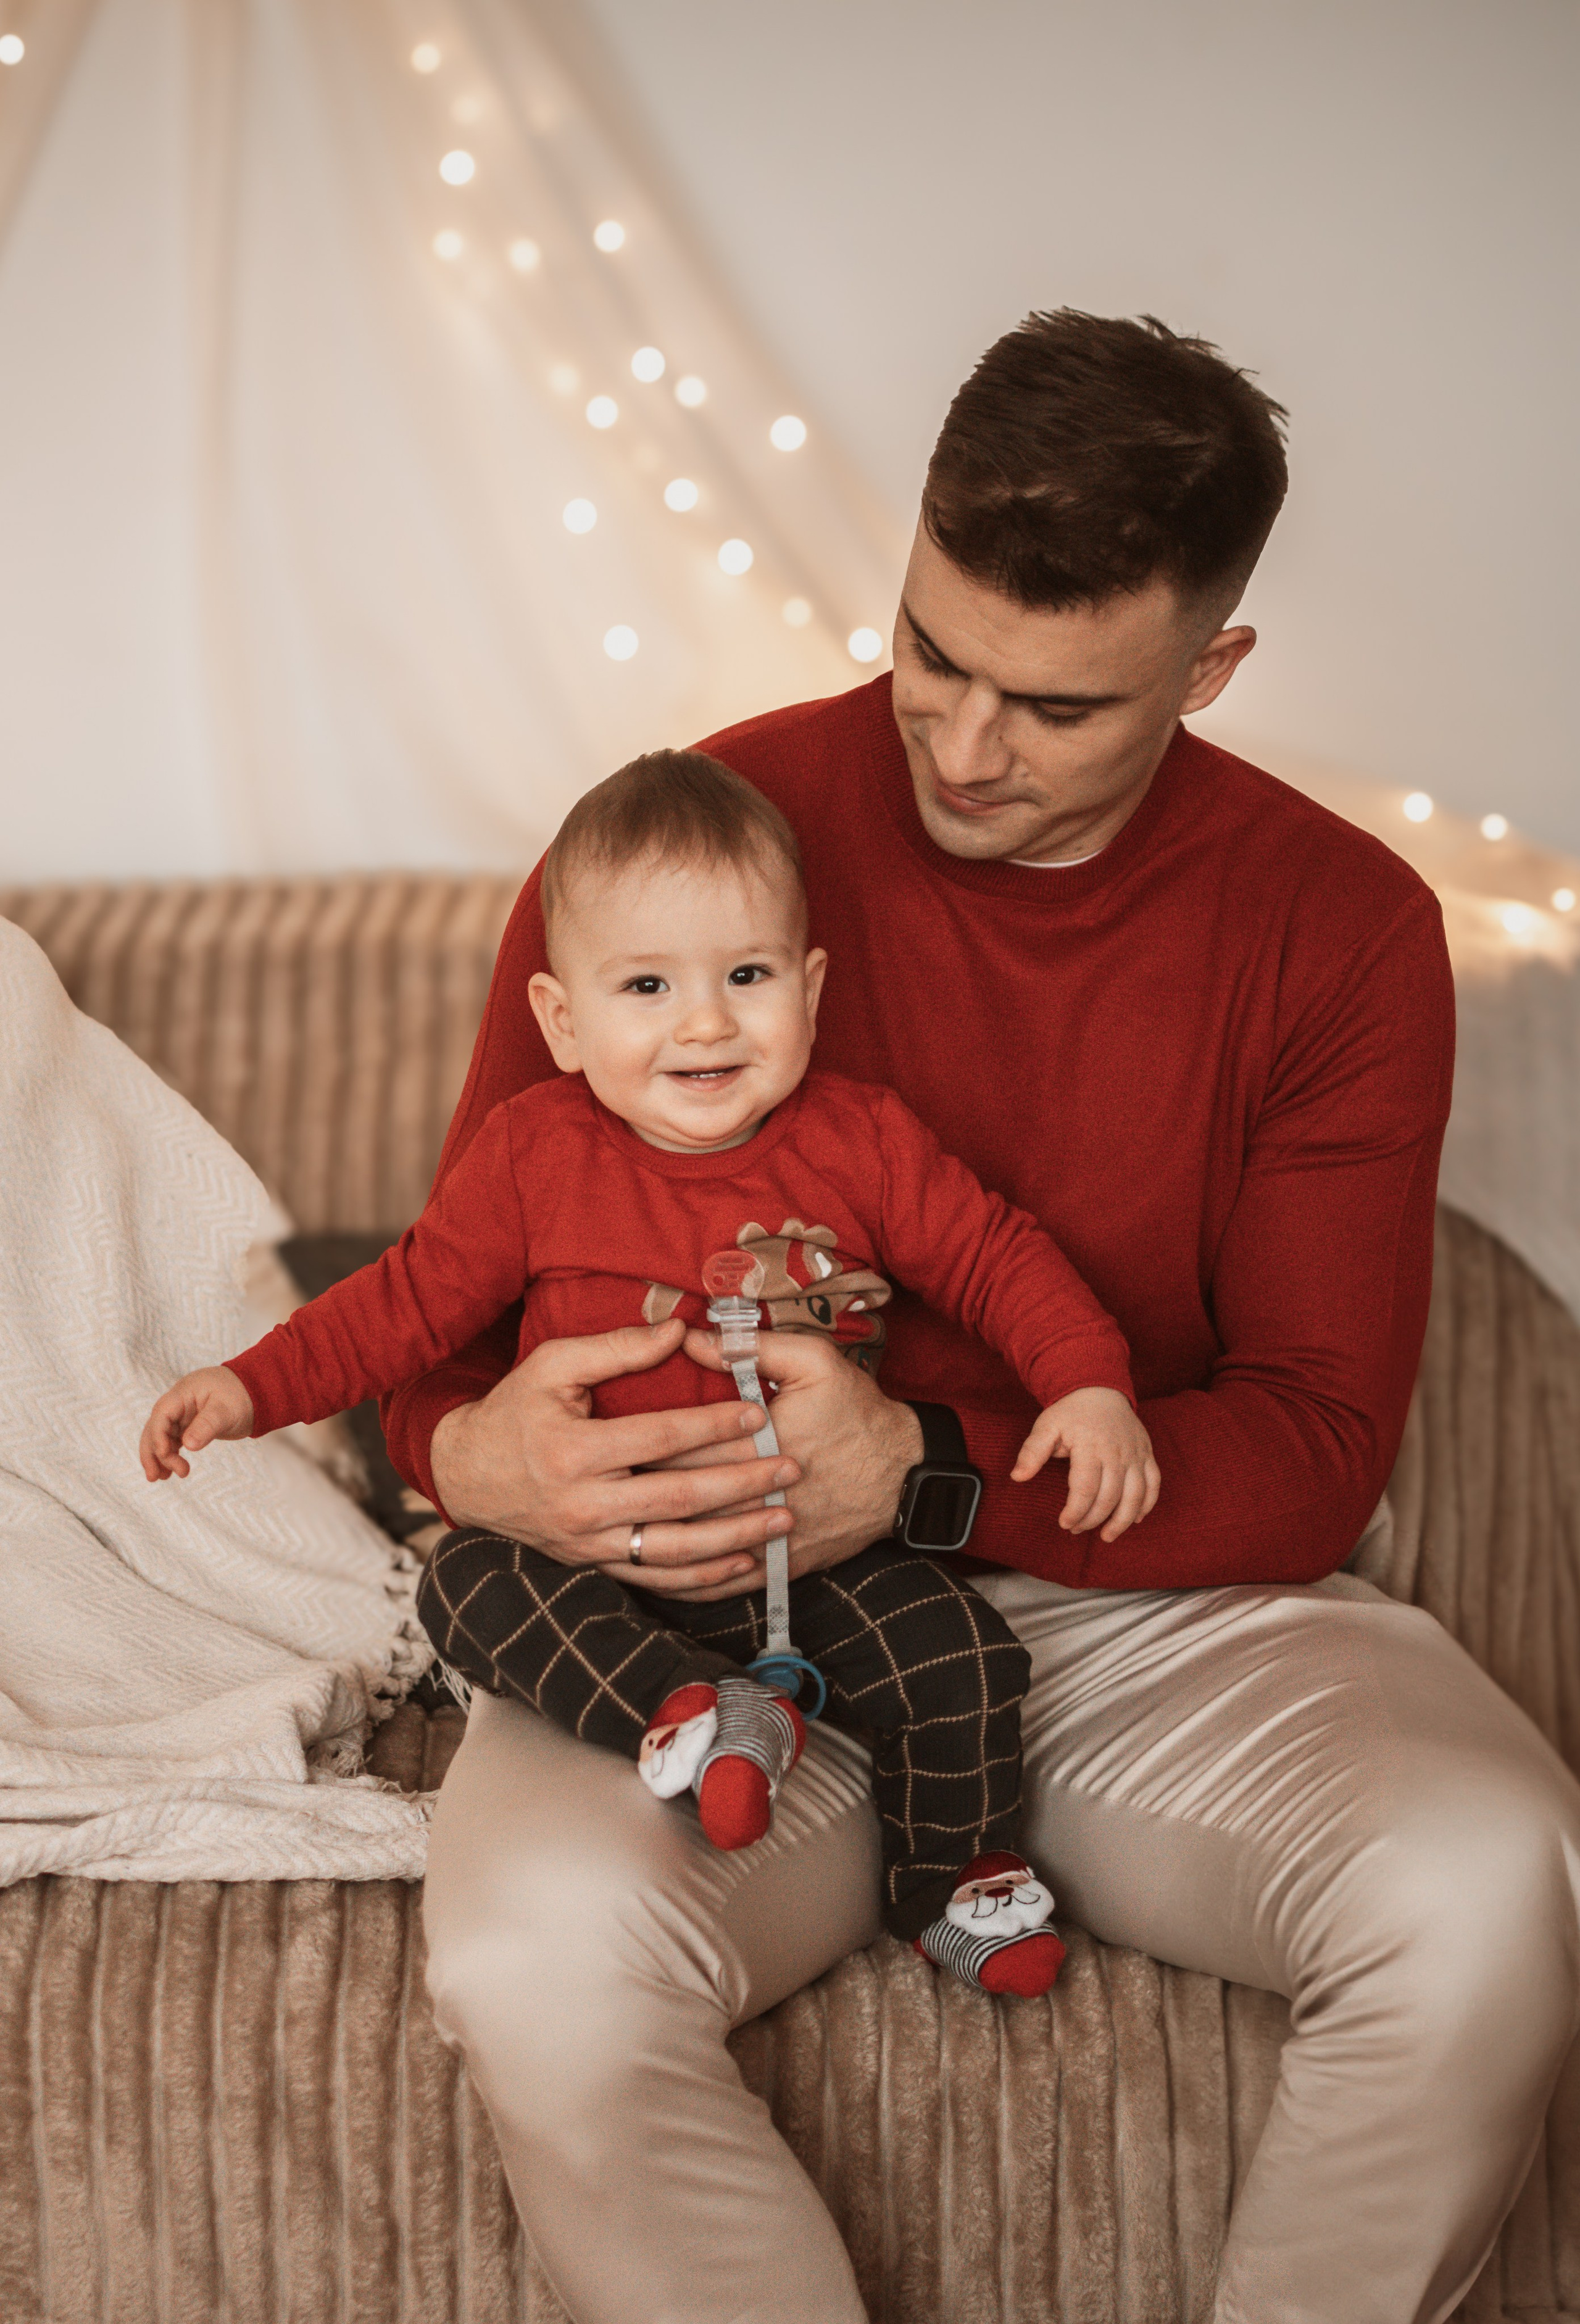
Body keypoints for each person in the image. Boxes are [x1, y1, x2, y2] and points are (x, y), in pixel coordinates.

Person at [388, 311, 1576, 2324]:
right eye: (930, 653)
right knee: (532, 1949)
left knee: (1494, 1882)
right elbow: (442, 1332)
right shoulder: (675, 848)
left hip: (1138, 1619)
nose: (958, 747)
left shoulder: (1344, 929)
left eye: (1053, 704)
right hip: (704, 1624)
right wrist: (464, 1447)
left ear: (1210, 673)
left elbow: (1303, 1445)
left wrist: (920, 1480)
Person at [138, 749, 1162, 1998]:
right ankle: (689, 1710)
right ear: (562, 1021)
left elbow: (1000, 1256)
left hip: (814, 1556)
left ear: (809, 984)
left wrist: (1087, 1381)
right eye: (646, 984)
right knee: (464, 1579)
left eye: (746, 974)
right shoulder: (531, 1158)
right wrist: (249, 1387)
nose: (704, 1021)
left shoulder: (864, 1141)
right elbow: (400, 1305)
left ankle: (946, 1876)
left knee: (965, 1656)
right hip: (596, 1579)